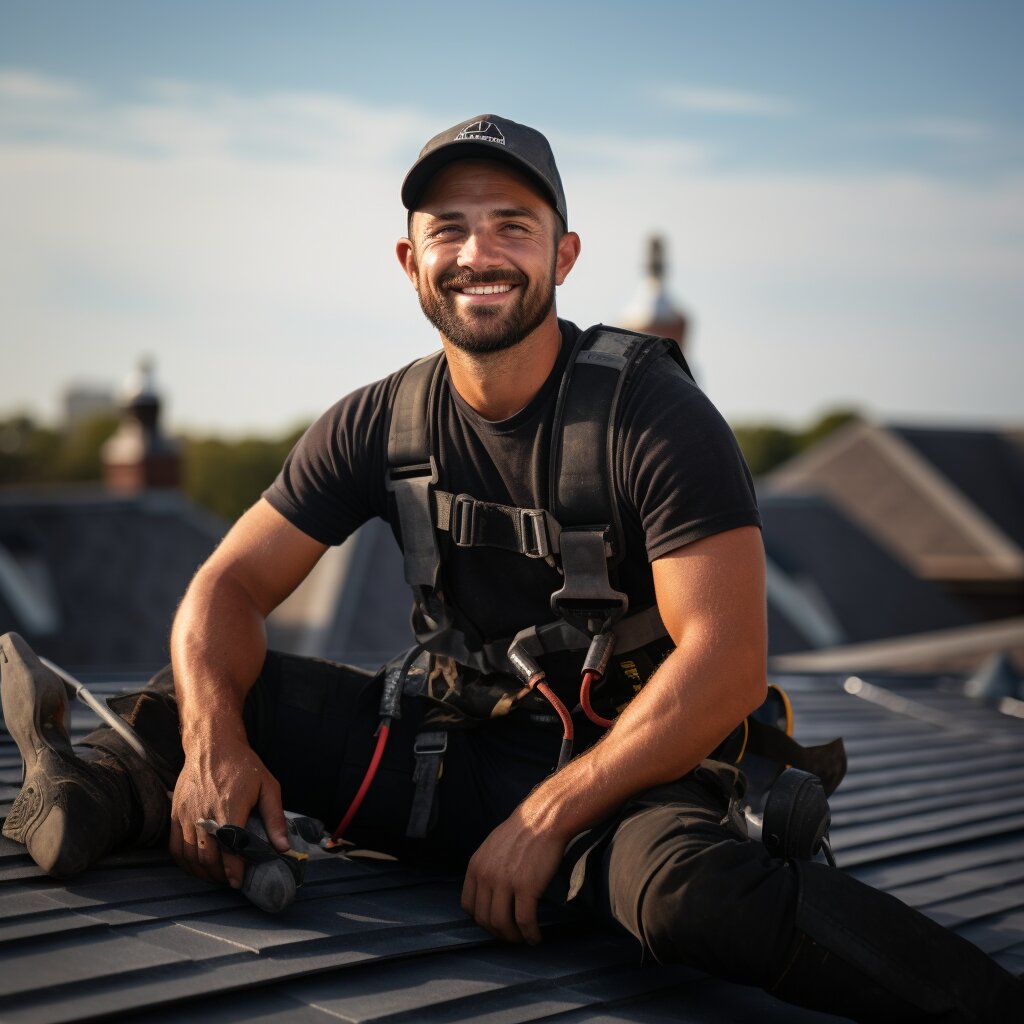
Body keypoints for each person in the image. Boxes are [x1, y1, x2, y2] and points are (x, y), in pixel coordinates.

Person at [1, 114, 1019, 1022]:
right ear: (409, 260)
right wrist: (220, 744)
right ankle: (82, 783)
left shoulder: (650, 412)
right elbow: (224, 589)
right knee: (202, 697)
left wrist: (547, 815)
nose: (477, 253)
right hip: (447, 756)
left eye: (512, 226)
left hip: (629, 774)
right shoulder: (376, 421)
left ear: (563, 254)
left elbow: (726, 664)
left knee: (693, 900)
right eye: (448, 228)